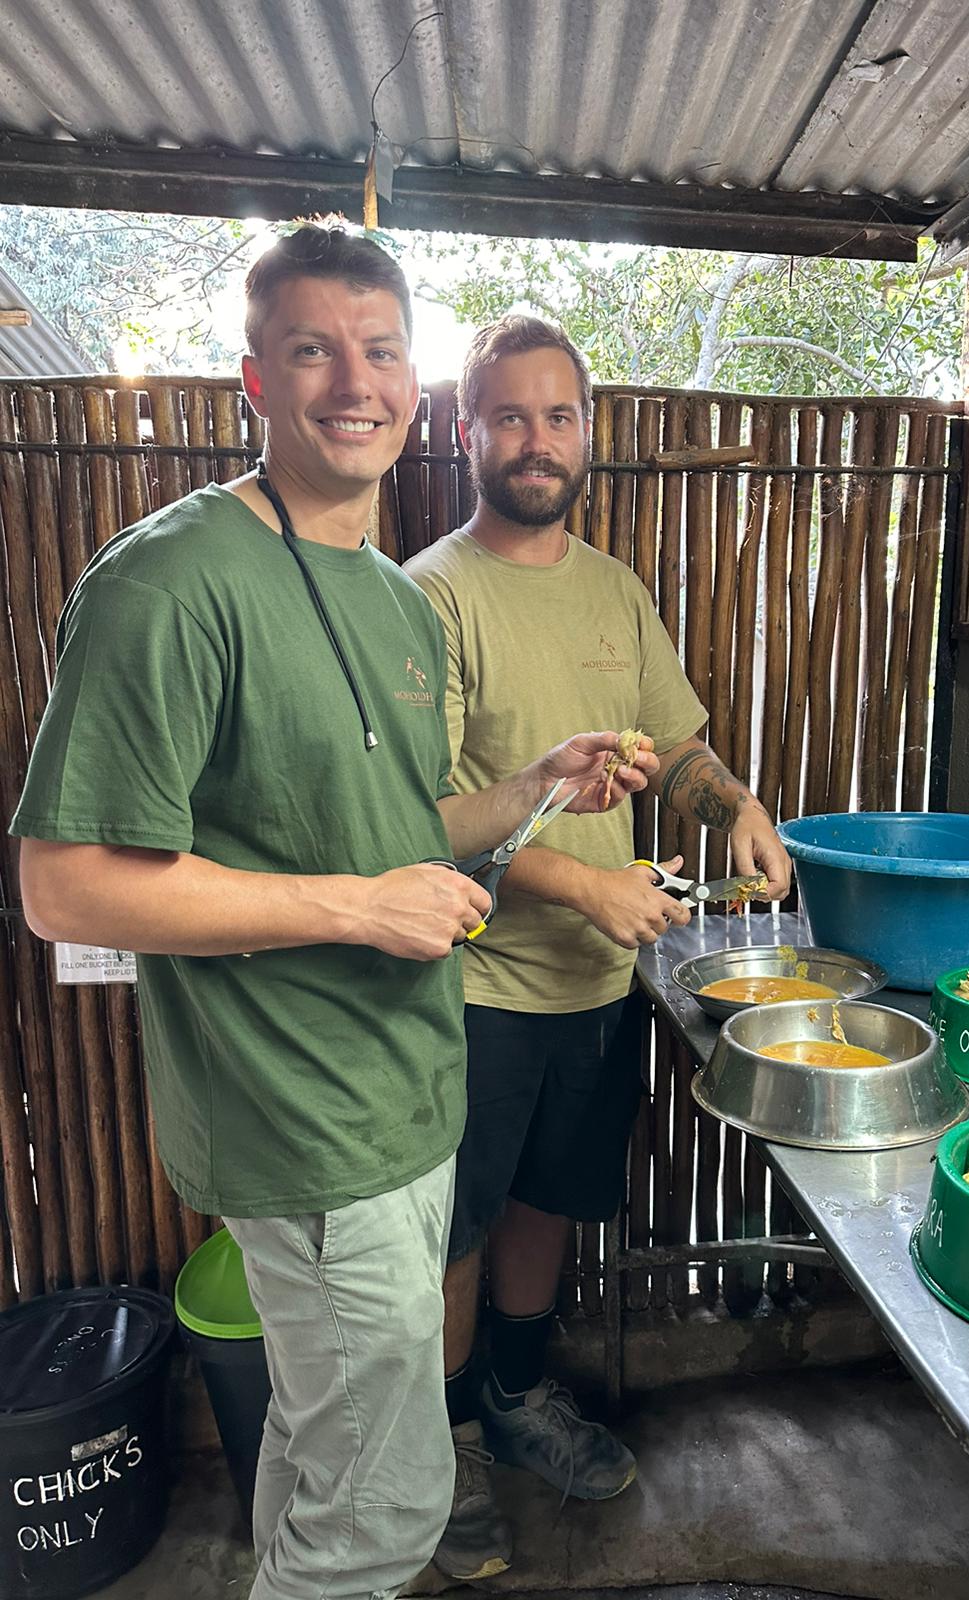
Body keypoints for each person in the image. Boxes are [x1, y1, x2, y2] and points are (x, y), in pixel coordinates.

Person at [10, 230, 654, 1600]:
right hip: (302, 1128)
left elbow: (400, 833)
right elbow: (65, 883)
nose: (350, 381)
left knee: (321, 1455)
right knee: (386, 1512)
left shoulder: (391, 604)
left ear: (416, 389)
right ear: (255, 376)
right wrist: (356, 911)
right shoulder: (165, 583)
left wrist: (532, 788)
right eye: (313, 348)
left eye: (378, 351)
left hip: (412, 1101)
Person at [404, 315, 792, 1582]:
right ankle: (448, 1442)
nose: (534, 439)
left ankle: (517, 1402)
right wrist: (575, 882)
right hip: (471, 989)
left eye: (556, 415)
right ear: (466, 433)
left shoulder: (617, 589)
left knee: (545, 1203)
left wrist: (731, 800)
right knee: (455, 1230)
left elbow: (673, 748)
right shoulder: (431, 595)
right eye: (507, 416)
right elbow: (408, 826)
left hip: (594, 986)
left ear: (588, 432)